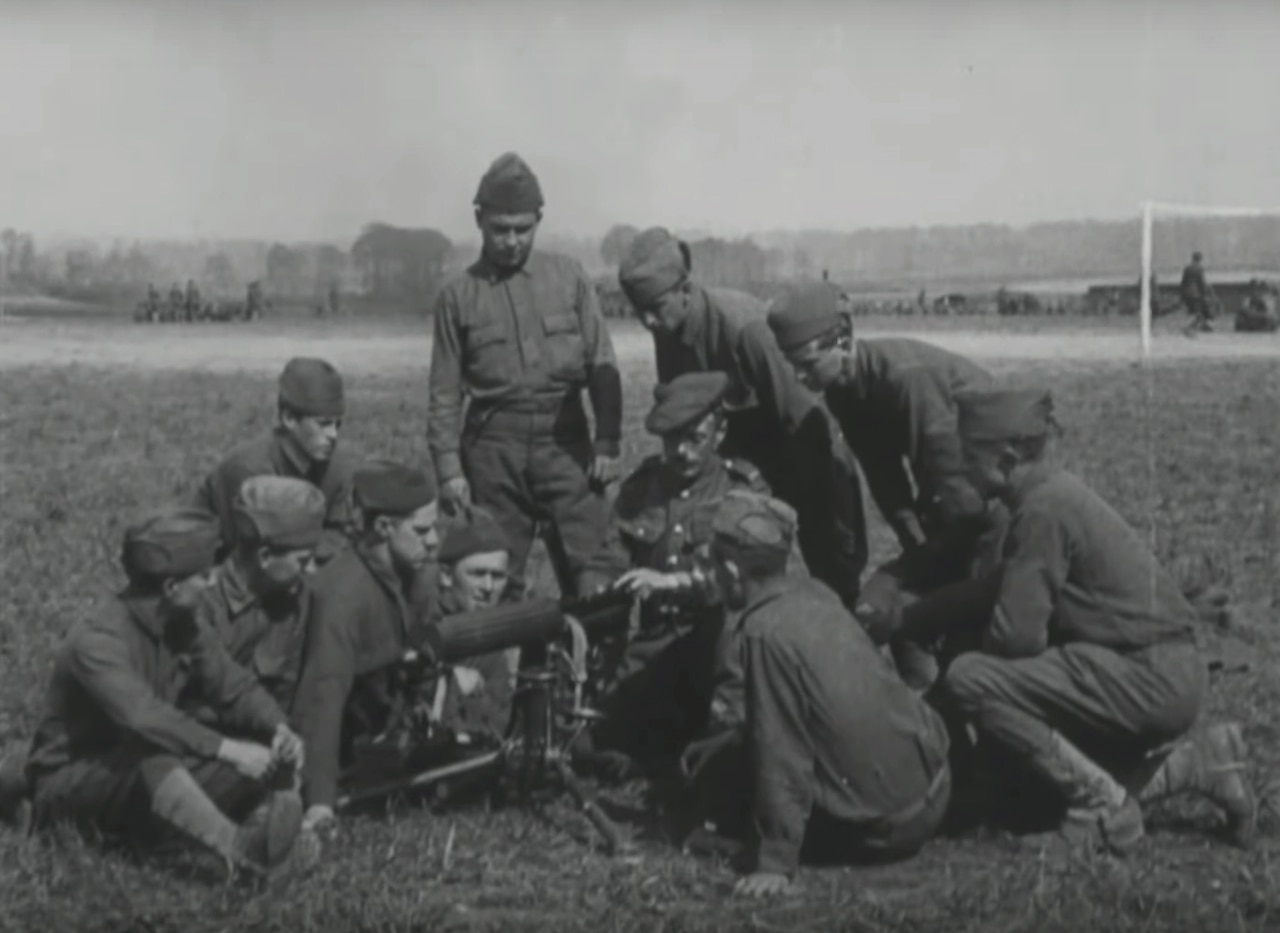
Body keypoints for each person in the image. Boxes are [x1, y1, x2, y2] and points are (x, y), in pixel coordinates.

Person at [934, 386, 1254, 854]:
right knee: (1035, 776)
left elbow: (1014, 639)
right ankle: (1201, 763)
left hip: (1149, 677)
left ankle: (1100, 808)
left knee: (969, 678)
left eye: (968, 454)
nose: (961, 466)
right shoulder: (1054, 494)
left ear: (1004, 458)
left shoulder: (1042, 510)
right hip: (1166, 673)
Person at [21, 506, 310, 879]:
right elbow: (143, 717)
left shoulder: (184, 623)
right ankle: (243, 859)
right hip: (70, 783)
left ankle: (247, 842)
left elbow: (231, 685)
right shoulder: (96, 639)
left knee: (265, 762)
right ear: (172, 588)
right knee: (160, 759)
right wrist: (229, 751)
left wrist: (279, 729)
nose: (212, 583)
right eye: (204, 576)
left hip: (146, 771)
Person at [704, 490, 951, 899]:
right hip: (937, 787)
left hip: (889, 828)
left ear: (731, 570)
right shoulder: (816, 592)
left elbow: (779, 748)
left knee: (728, 779)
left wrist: (776, 862)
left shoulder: (764, 632)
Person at [765, 282, 1001, 686]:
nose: (800, 378)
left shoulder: (909, 380)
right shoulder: (843, 389)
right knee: (905, 614)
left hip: (995, 498)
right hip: (956, 500)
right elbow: (885, 478)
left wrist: (940, 568)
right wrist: (916, 545)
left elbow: (952, 490)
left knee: (953, 618)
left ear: (843, 340)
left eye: (806, 363)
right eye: (792, 366)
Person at [618, 228, 867, 611]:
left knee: (834, 584)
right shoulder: (667, 327)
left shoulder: (745, 329)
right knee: (728, 578)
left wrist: (832, 516)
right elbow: (681, 412)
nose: (647, 321)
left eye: (655, 307)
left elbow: (811, 424)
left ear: (685, 289)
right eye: (639, 312)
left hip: (802, 458)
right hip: (741, 468)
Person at [427, 152, 623, 604]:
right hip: (494, 451)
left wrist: (608, 439)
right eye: (501, 229)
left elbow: (601, 362)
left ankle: (591, 669)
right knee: (496, 577)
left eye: (523, 228)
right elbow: (444, 392)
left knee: (594, 570)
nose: (512, 241)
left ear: (539, 220)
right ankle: (501, 673)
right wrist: (449, 469)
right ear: (479, 221)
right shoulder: (458, 297)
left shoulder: (570, 277)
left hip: (568, 445)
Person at [579, 371, 769, 772]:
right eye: (671, 440)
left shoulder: (745, 492)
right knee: (589, 740)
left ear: (720, 433)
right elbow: (608, 559)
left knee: (731, 740)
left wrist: (674, 585)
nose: (681, 451)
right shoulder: (643, 487)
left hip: (718, 648)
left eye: (694, 439)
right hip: (656, 645)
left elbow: (754, 582)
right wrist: (594, 594)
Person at [291, 462, 441, 835]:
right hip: (337, 733)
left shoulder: (416, 572)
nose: (435, 540)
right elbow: (322, 700)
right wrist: (320, 804)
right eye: (421, 531)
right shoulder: (342, 596)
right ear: (384, 528)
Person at [191, 357, 360, 564]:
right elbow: (245, 554)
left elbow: (341, 533)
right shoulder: (248, 469)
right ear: (289, 418)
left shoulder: (338, 464)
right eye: (323, 424)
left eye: (337, 424)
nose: (333, 434)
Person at [196, 476, 326, 712]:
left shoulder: (295, 597)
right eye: (303, 561)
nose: (311, 570)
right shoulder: (203, 606)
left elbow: (289, 688)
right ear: (265, 557)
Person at [431, 505, 518, 741]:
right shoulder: (422, 626)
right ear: (446, 575)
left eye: (498, 576)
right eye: (478, 574)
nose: (488, 588)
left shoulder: (495, 640)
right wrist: (450, 683)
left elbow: (501, 724)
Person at [1180, 251, 1214, 336]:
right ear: (1200, 259)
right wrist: (1205, 293)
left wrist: (1182, 294)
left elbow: (1183, 282)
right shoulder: (1199, 269)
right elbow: (1201, 282)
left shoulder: (1187, 268)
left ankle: (1202, 326)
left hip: (1187, 293)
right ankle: (1191, 327)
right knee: (1199, 311)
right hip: (1196, 294)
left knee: (1195, 311)